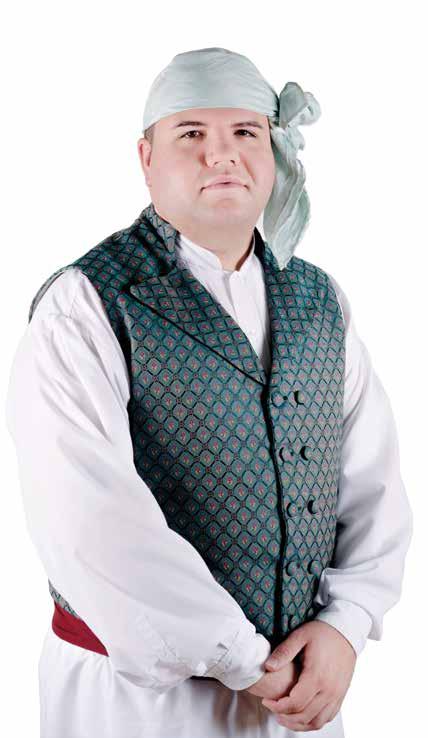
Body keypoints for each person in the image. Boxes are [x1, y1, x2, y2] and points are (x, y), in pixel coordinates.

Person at [5, 47, 413, 737]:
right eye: (191, 132)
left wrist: (345, 625)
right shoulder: (86, 304)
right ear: (147, 159)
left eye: (245, 132)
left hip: (303, 695)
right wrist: (242, 659)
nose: (221, 154)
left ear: (274, 152)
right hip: (138, 705)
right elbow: (88, 519)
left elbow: (372, 484)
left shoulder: (320, 300)